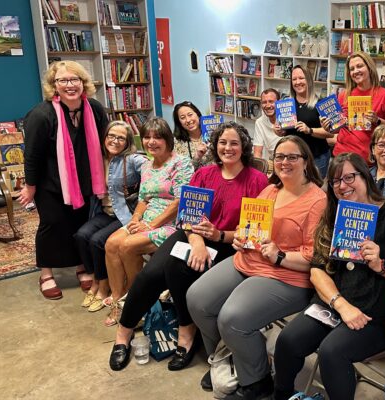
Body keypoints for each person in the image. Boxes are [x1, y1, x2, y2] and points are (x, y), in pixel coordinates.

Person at [108, 122, 268, 372]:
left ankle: (186, 332)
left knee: (176, 269)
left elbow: (254, 232)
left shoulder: (257, 181)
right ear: (215, 145)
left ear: (244, 146)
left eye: (234, 143)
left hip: (229, 244)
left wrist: (218, 235)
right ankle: (123, 333)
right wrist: (197, 242)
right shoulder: (204, 174)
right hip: (191, 235)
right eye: (222, 142)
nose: (228, 148)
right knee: (150, 275)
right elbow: (188, 215)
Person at [187, 136, 326, 399]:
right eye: (280, 157)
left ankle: (256, 380)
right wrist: (240, 236)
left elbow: (314, 257)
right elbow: (249, 226)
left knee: (232, 317)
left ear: (305, 162)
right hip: (248, 261)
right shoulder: (270, 190)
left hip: (286, 275)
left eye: (292, 157)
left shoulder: (317, 200)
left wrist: (280, 255)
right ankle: (228, 357)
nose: (284, 162)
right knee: (198, 299)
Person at [273, 152, 385, 400]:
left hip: (378, 312)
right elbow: (317, 270)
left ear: (366, 176)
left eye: (349, 177)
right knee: (288, 340)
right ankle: (281, 395)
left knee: (332, 352)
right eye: (335, 181)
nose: (342, 186)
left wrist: (381, 264)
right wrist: (340, 304)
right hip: (336, 300)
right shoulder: (334, 215)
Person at [20, 60, 109, 300]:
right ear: (54, 85)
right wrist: (30, 187)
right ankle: (46, 273)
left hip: (85, 181)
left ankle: (80, 265)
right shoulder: (42, 115)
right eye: (63, 80)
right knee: (52, 224)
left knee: (78, 224)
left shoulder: (95, 109)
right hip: (49, 183)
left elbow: (106, 143)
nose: (70, 85)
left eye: (75, 80)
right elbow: (32, 155)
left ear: (83, 83)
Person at [103, 117, 193, 326]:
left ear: (168, 139)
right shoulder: (147, 164)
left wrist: (151, 225)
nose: (151, 142)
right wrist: (135, 219)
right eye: (147, 137)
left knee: (127, 246)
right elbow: (143, 198)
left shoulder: (181, 163)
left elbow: (180, 201)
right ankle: (119, 298)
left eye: (157, 137)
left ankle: (138, 302)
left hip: (171, 223)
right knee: (110, 244)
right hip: (147, 218)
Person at [75, 121, 148, 311]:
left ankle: (104, 286)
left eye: (121, 138)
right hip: (105, 211)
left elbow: (151, 168)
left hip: (125, 214)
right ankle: (96, 280)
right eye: (111, 136)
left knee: (97, 241)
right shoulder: (99, 158)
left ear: (127, 142)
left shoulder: (132, 159)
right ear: (104, 137)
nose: (115, 141)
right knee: (82, 235)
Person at [323, 51, 385, 163]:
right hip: (341, 157)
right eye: (352, 69)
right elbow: (336, 129)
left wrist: (377, 120)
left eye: (359, 66)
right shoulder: (343, 95)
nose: (356, 71)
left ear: (369, 68)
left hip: (368, 161)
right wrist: (329, 127)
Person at [276, 65, 333, 177]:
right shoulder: (286, 104)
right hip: (292, 157)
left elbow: (330, 133)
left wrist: (310, 130)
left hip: (316, 157)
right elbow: (283, 132)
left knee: (314, 190)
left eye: (301, 78)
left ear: (309, 80)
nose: (297, 82)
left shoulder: (321, 104)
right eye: (294, 79)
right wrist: (278, 130)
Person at [172, 100, 213, 169]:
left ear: (197, 114)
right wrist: (197, 157)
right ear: (179, 122)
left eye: (190, 115)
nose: (188, 120)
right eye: (182, 118)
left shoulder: (211, 134)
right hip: (191, 178)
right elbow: (180, 171)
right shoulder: (176, 142)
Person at [254, 88, 283, 162]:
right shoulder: (259, 122)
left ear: (279, 103)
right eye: (264, 102)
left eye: (271, 101)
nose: (267, 105)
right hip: (273, 161)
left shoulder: (287, 119)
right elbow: (257, 152)